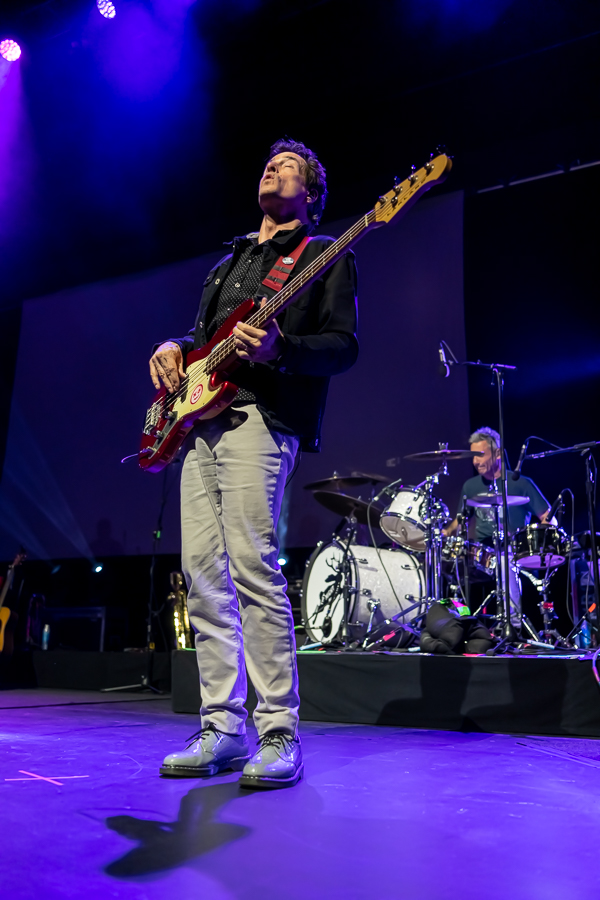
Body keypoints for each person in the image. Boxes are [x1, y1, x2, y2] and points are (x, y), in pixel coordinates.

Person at [149, 139, 358, 788]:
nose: (273, 167)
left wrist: (280, 349)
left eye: (289, 166)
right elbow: (202, 341)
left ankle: (278, 733)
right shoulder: (229, 262)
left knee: (252, 570)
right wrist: (172, 347)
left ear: (311, 195)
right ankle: (221, 729)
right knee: (203, 578)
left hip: (261, 420)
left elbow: (343, 347)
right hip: (201, 424)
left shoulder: (323, 254)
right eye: (271, 163)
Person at [444, 427, 551, 623]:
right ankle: (462, 621)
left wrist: (543, 540)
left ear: (498, 453)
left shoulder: (521, 483)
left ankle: (513, 625)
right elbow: (460, 521)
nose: (475, 462)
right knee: (448, 567)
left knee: (504, 562)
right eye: (473, 456)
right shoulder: (470, 486)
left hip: (515, 552)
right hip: (482, 553)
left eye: (480, 455)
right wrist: (446, 532)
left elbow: (548, 517)